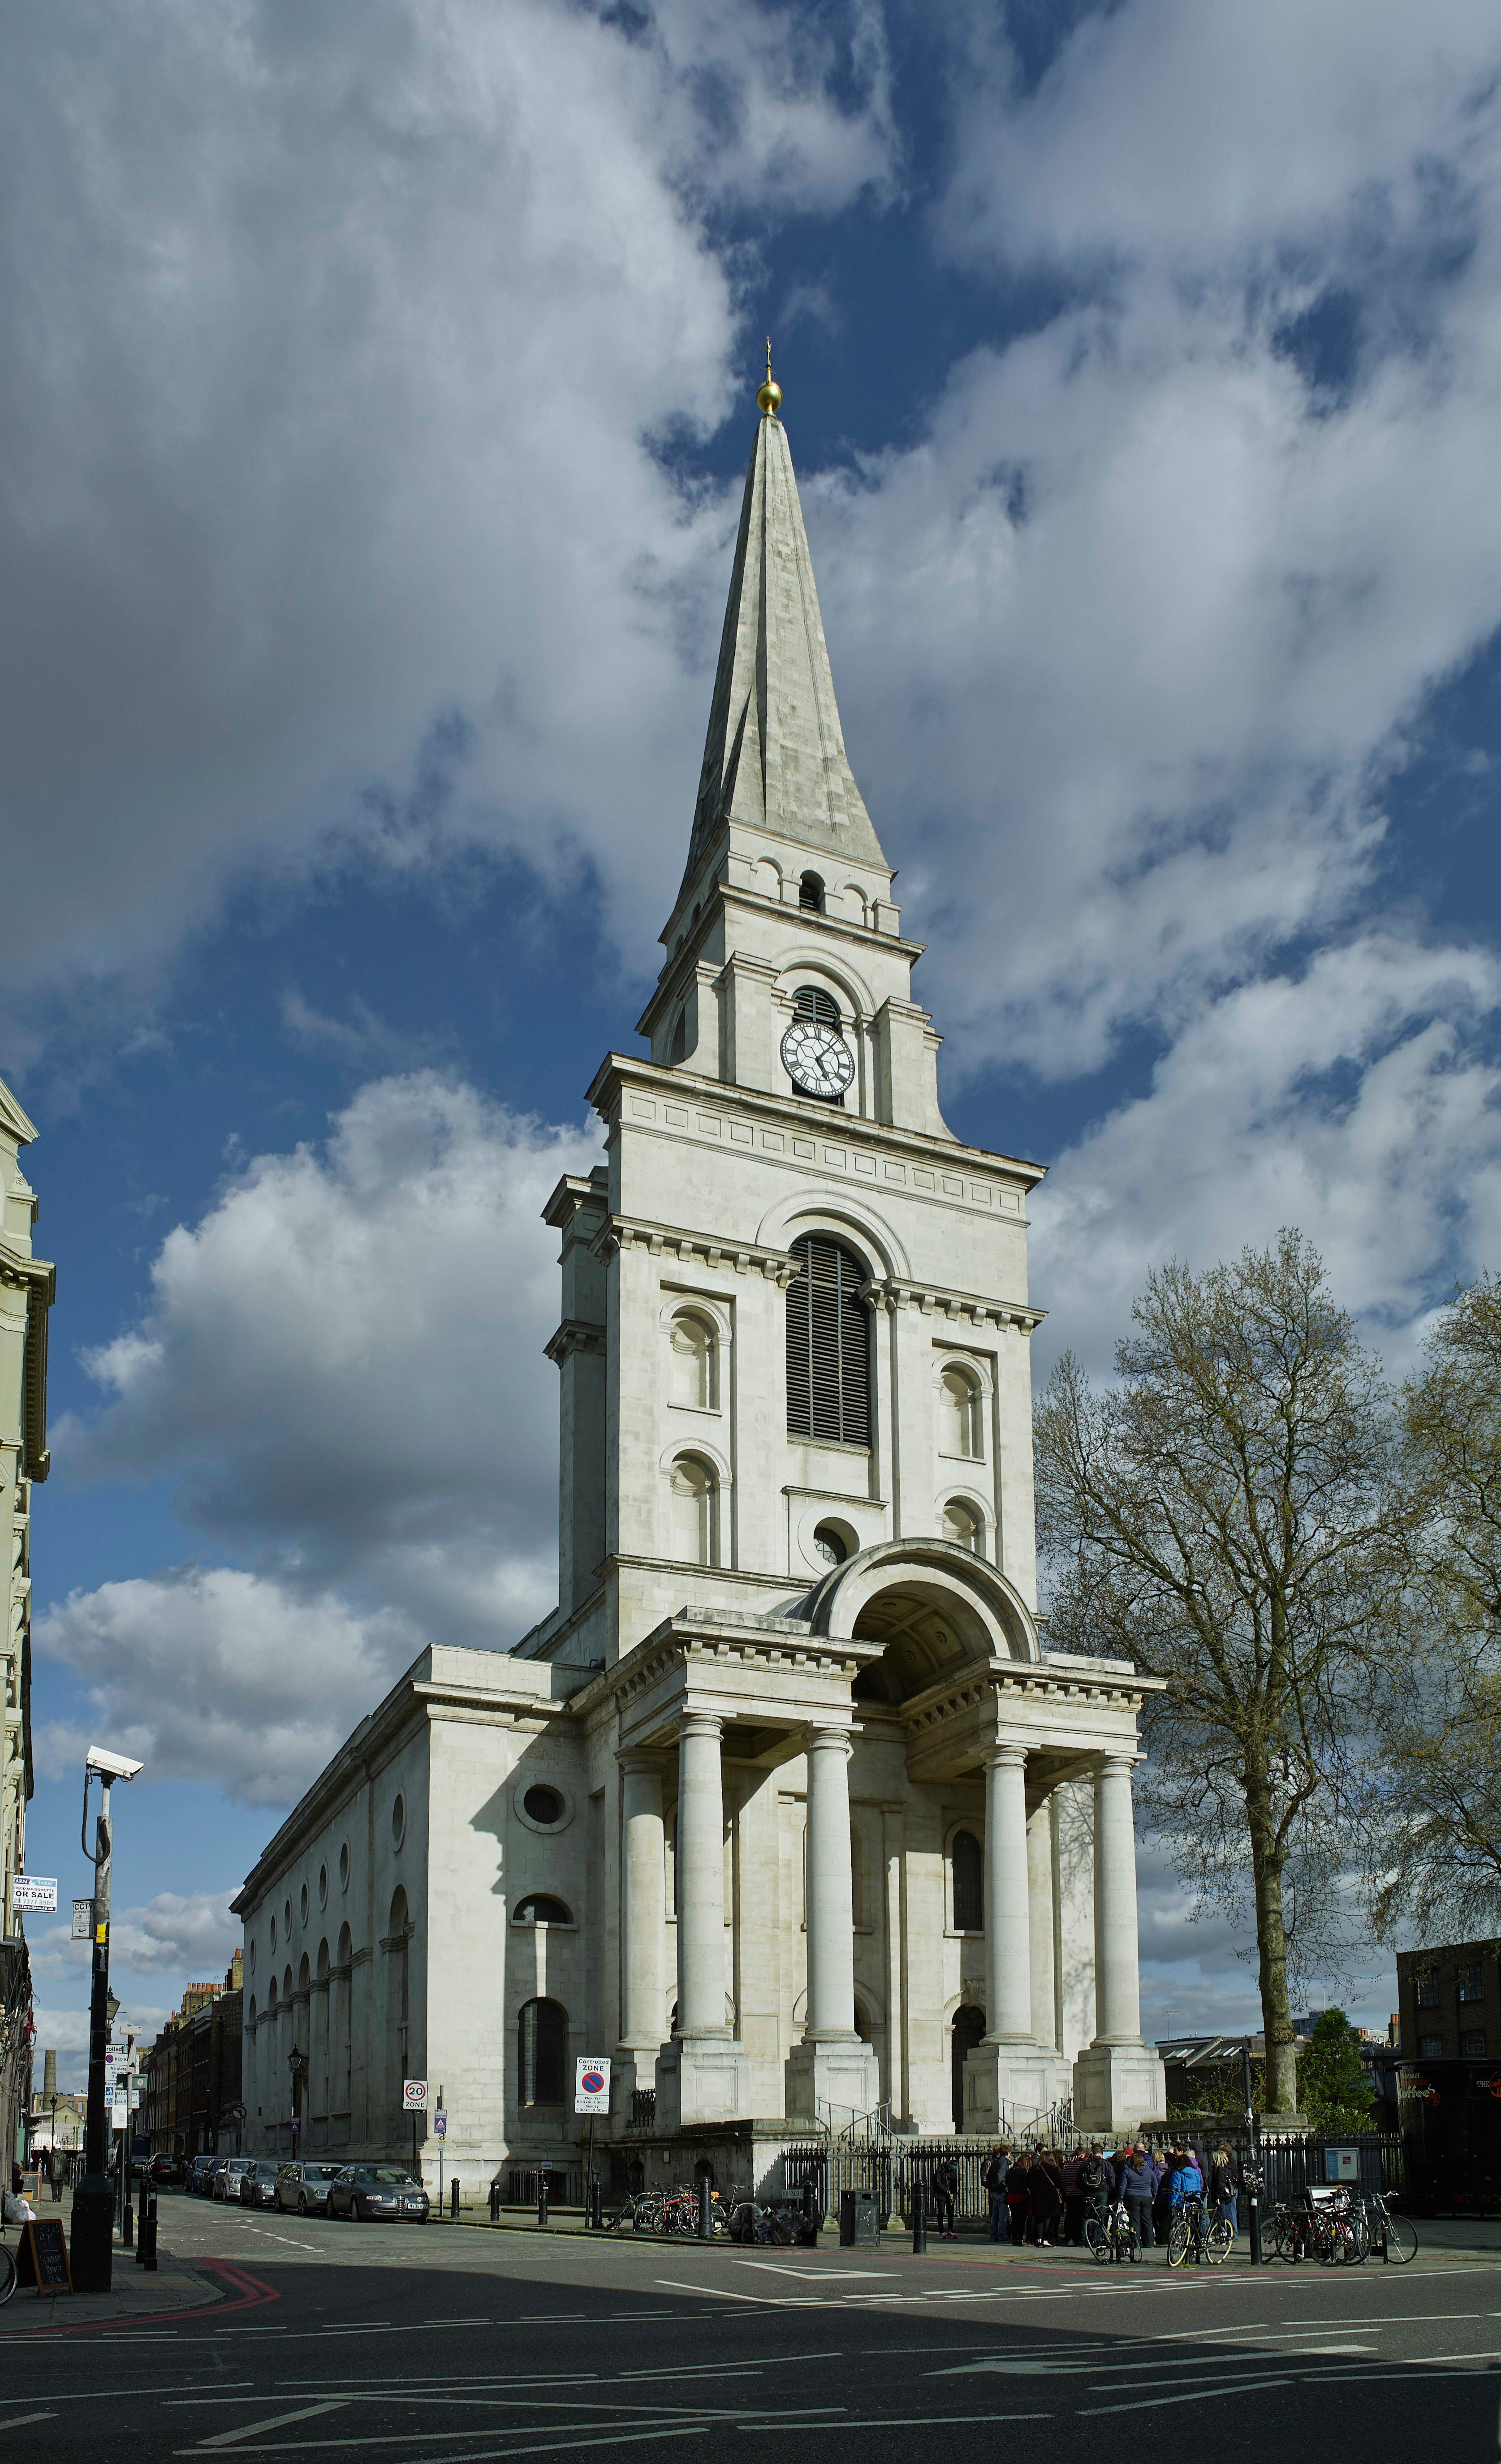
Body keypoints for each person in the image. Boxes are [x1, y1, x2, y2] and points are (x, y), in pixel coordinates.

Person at [1118, 2146, 1156, 2250]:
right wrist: (1153, 2196)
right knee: (1147, 2220)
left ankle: (1135, 2242)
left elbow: (1122, 2186)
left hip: (1132, 2196)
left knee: (1135, 2220)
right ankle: (1149, 2243)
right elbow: (1155, 2184)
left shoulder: (1128, 2171)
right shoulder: (1150, 2171)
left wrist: (1121, 2198)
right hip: (1147, 2196)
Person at [1028, 2150, 1062, 2248]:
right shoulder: (1054, 2169)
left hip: (1037, 2197)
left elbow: (1029, 2183)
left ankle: (1039, 2239)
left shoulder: (1034, 2169)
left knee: (1039, 2218)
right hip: (1050, 2197)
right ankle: (1045, 2240)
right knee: (1048, 2218)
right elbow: (1060, 2184)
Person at [1078, 2143, 1110, 2242]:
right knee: (1100, 2216)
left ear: (1093, 2154)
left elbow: (1079, 2179)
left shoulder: (1086, 2163)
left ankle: (1083, 2240)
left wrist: (1083, 2189)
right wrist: (1108, 2188)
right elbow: (1112, 2180)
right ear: (1102, 2155)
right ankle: (1096, 2240)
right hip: (1102, 2192)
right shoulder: (1106, 2164)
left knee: (1085, 2216)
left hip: (1088, 2192)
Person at [1207, 2144, 1239, 2238]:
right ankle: (1229, 2233)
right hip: (1226, 2195)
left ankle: (1228, 2234)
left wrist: (1217, 2197)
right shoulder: (1224, 2168)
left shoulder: (1222, 2169)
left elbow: (1221, 2184)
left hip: (1224, 2196)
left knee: (1225, 2216)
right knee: (1225, 2215)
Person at [1060, 2144, 1087, 2245]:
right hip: (1081, 2193)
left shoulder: (1066, 2165)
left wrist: (1067, 2190)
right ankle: (1079, 2237)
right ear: (1083, 2155)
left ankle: (1069, 2238)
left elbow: (1063, 2180)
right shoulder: (1082, 2164)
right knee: (1081, 2217)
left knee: (1070, 2216)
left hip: (1070, 2194)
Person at [981, 2144, 1009, 2243]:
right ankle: (1001, 2235)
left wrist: (992, 2188)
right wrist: (999, 2188)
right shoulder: (999, 2162)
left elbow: (988, 2178)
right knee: (1002, 2214)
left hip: (994, 2191)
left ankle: (994, 2235)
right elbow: (997, 2179)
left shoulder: (995, 2162)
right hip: (999, 2192)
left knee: (995, 2214)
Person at [1005, 2152, 1031, 2245]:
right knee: (1022, 2219)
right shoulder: (1024, 2172)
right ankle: (1020, 2239)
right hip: (1022, 2196)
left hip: (1011, 2196)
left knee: (1015, 2219)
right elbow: (1028, 2184)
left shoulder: (1011, 2171)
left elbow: (1006, 2182)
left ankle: (1014, 2238)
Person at [931, 2155, 958, 2240]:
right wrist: (946, 2191)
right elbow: (938, 2182)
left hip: (949, 2195)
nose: (951, 2171)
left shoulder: (953, 2172)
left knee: (951, 2213)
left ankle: (950, 2231)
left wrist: (953, 2194)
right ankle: (942, 2232)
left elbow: (955, 2183)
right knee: (941, 2212)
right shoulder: (941, 2170)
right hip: (941, 2194)